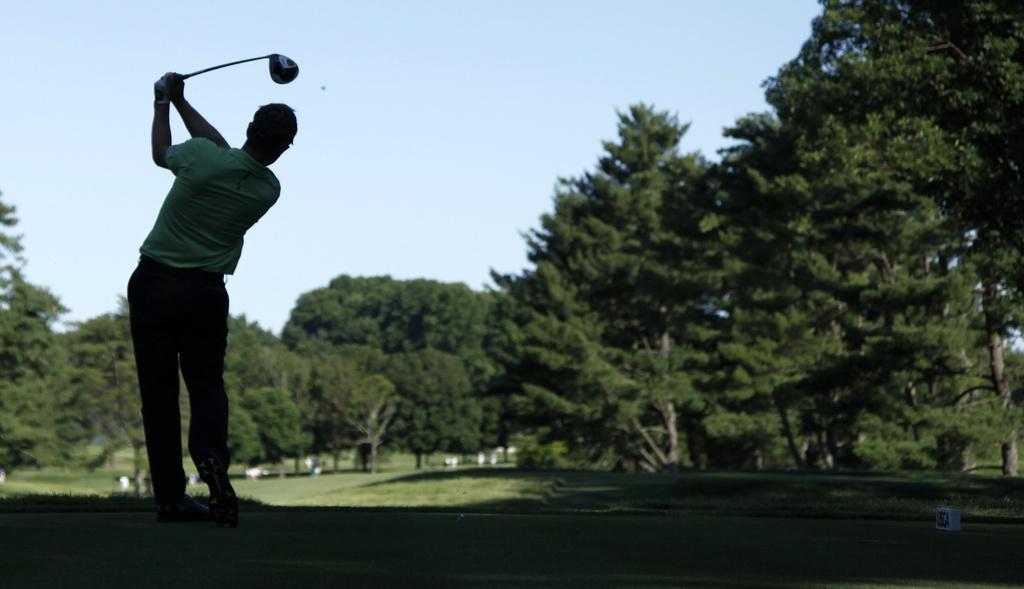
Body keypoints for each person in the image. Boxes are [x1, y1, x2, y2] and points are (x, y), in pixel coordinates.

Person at [128, 72, 297, 527]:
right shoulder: (267, 190)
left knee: (159, 395)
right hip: (205, 294)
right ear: (284, 148)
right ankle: (211, 463)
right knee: (206, 389)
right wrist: (184, 103)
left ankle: (169, 498)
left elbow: (161, 152)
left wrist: (164, 103)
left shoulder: (201, 158)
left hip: (154, 284)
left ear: (249, 129)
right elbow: (226, 152)